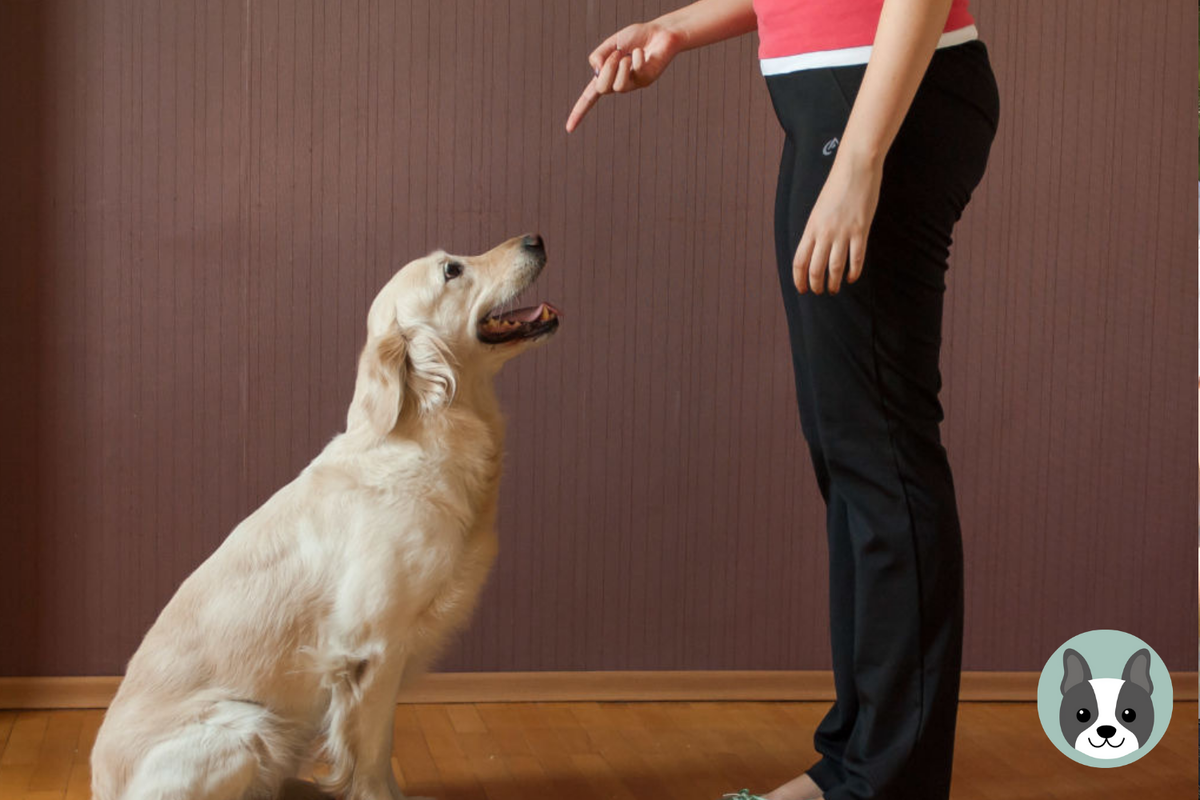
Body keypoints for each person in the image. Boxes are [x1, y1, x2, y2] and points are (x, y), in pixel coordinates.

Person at [566, 2, 999, 799]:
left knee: (881, 455)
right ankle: (854, 763)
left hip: (879, 102)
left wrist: (862, 162)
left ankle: (885, 784)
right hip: (831, 104)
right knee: (848, 452)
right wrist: (681, 28)